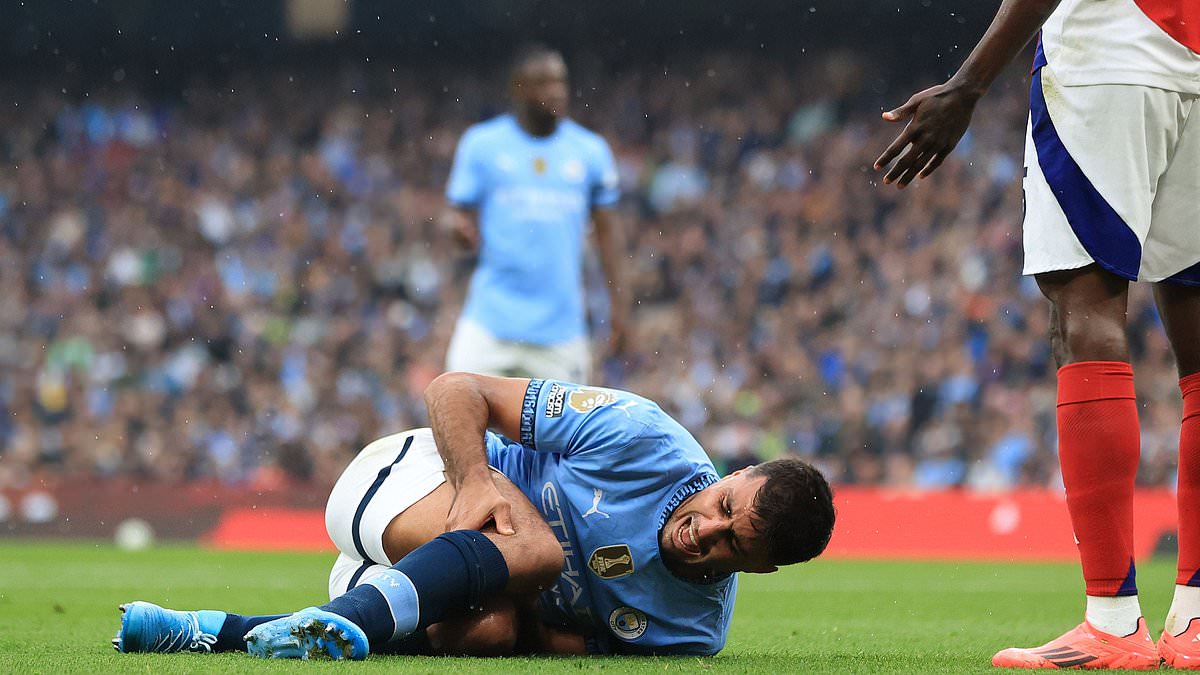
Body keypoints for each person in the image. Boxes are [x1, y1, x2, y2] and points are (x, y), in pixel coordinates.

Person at [875, 0, 1200, 668]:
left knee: (1085, 316)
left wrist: (967, 84)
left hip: (1112, 53)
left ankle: (1113, 622)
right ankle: (1196, 618)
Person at [113, 372, 835, 658]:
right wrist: (476, 482)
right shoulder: (642, 435)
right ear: (731, 474)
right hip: (404, 481)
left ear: (759, 569)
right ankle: (331, 619)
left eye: (732, 545)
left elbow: (551, 646)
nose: (705, 530)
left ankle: (209, 631)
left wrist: (522, 619)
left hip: (405, 579)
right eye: (722, 506)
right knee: (539, 553)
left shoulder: (691, 632)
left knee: (489, 635)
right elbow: (455, 390)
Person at [440, 44, 629, 383]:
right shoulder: (482, 144)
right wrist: (458, 230)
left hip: (560, 334)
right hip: (490, 324)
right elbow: (455, 214)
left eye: (560, 81)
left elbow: (608, 236)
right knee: (453, 405)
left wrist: (621, 309)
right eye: (542, 83)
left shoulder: (590, 151)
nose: (556, 91)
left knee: (565, 421)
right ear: (518, 89)